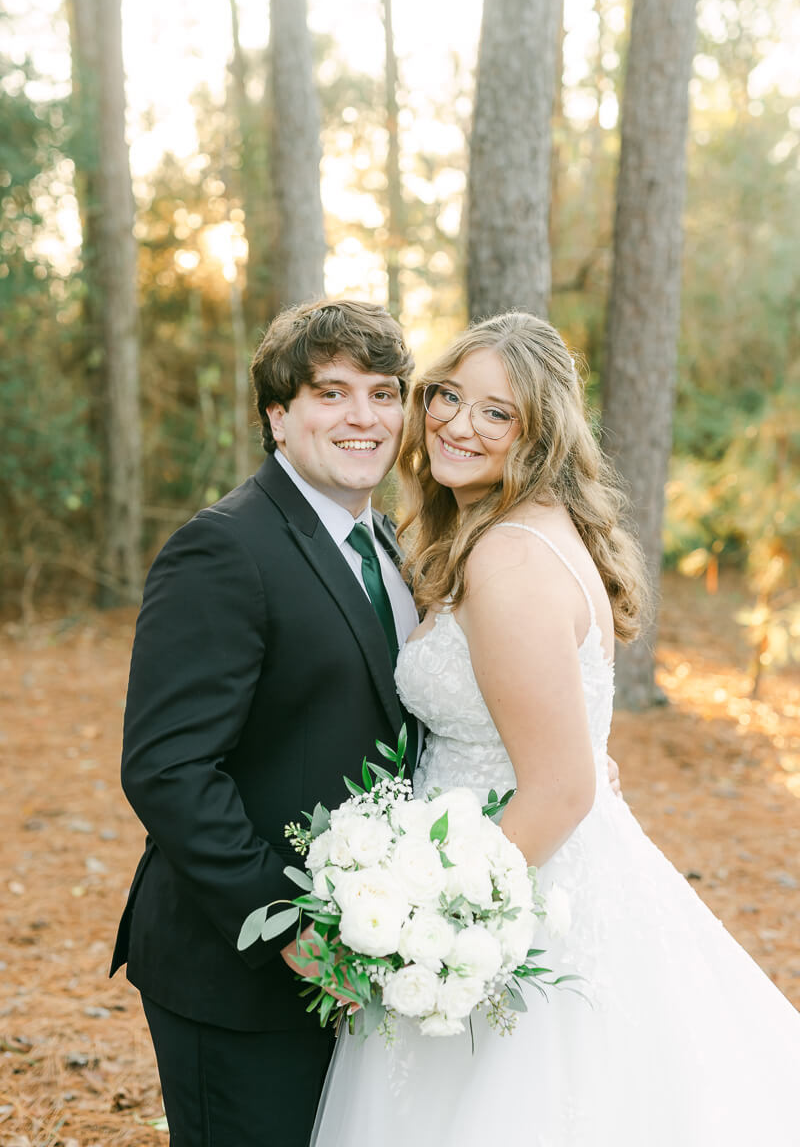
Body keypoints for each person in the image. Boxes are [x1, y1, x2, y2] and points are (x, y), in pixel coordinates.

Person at [311, 311, 800, 1147]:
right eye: (448, 396)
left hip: (509, 895)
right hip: (527, 862)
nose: (458, 424)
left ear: (538, 434)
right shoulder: (507, 534)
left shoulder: (509, 557)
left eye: (496, 413)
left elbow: (563, 787)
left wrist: (431, 933)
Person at [110, 299, 420, 1147]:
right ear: (278, 416)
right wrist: (285, 929)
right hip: (238, 971)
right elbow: (168, 770)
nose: (365, 417)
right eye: (333, 393)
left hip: (362, 957)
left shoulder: (387, 544)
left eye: (385, 393)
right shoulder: (223, 549)